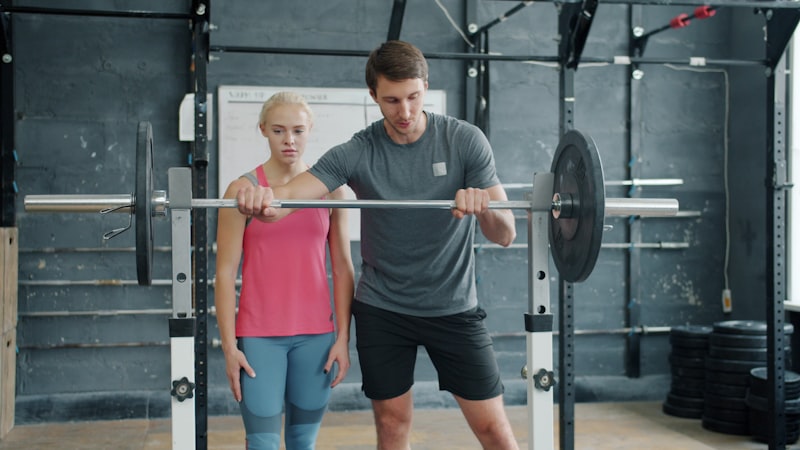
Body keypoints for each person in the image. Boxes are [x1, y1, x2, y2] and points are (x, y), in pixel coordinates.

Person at [236, 41, 519, 450]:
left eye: (413, 97)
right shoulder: (358, 151)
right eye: (391, 100)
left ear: (425, 86)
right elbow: (287, 200)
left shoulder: (464, 140)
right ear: (373, 95)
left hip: (453, 307)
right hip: (384, 309)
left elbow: (505, 233)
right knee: (391, 426)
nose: (405, 111)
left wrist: (484, 208)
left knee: (494, 430)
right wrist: (257, 197)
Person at [215, 91, 355, 450]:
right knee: (262, 443)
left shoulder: (332, 192)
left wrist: (343, 338)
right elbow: (225, 274)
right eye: (278, 131)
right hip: (259, 338)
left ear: (310, 130)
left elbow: (342, 268)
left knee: (302, 442)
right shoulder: (242, 191)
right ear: (263, 129)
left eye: (297, 130)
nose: (289, 140)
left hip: (317, 336)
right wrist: (229, 347)